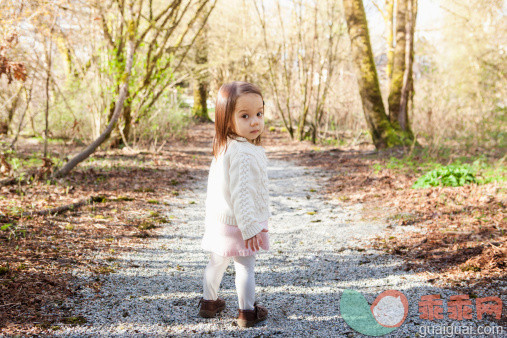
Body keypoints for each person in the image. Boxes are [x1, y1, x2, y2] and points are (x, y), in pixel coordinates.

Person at [197, 81, 271, 328]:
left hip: (221, 221)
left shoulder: (224, 146)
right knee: (245, 266)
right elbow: (241, 194)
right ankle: (247, 312)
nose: (255, 122)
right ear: (227, 120)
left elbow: (216, 189)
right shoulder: (243, 153)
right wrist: (250, 227)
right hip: (241, 223)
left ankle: (209, 302)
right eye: (245, 116)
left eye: (259, 114)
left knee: (217, 261)